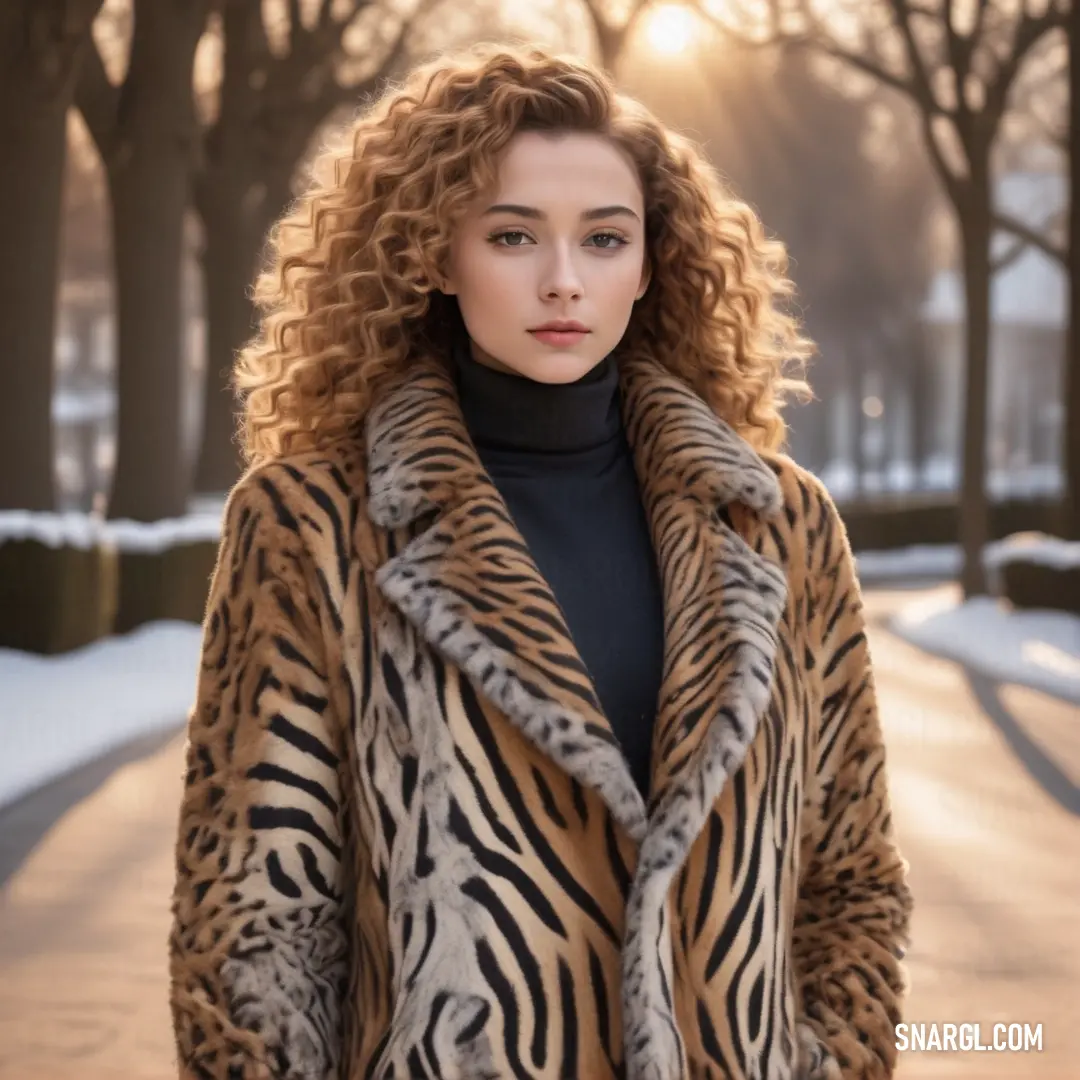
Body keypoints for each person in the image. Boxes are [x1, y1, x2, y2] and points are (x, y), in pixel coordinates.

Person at [167, 41, 913, 1080]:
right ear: (433, 253)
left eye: (604, 239)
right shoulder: (312, 526)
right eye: (513, 236)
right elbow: (255, 929)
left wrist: (835, 1059)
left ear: (651, 262)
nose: (564, 281)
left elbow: (852, 882)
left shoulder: (778, 526)